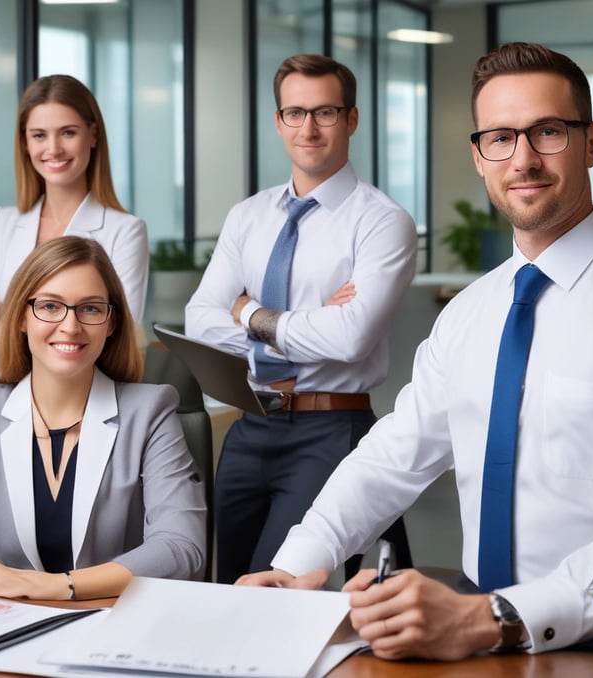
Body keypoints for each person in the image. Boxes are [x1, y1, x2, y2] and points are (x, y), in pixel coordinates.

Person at [238, 42, 593, 662]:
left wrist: (490, 620)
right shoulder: (469, 313)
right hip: (469, 615)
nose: (523, 159)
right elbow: (392, 455)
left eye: (548, 132)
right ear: (479, 155)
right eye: (500, 138)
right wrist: (300, 563)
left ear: (591, 142)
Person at [185, 54, 417, 584]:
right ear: (278, 121)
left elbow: (352, 338)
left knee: (274, 589)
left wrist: (247, 312)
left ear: (352, 120)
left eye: (325, 112)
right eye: (294, 112)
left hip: (331, 428)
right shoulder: (247, 216)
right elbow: (200, 321)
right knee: (226, 588)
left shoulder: (382, 222)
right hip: (249, 426)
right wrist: (308, 326)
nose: (308, 127)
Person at [0, 236, 206, 600]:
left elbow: (182, 548)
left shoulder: (149, 412)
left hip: (114, 626)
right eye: (50, 306)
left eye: (89, 309)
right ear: (21, 317)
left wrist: (61, 586)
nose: (70, 326)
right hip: (5, 628)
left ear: (111, 323)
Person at [0, 74, 149, 401]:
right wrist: (52, 335)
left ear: (93, 135)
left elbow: (113, 340)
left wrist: (3, 328)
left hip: (73, 405)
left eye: (68, 132)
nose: (53, 149)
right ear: (25, 144)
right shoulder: (4, 222)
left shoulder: (125, 230)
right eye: (39, 135)